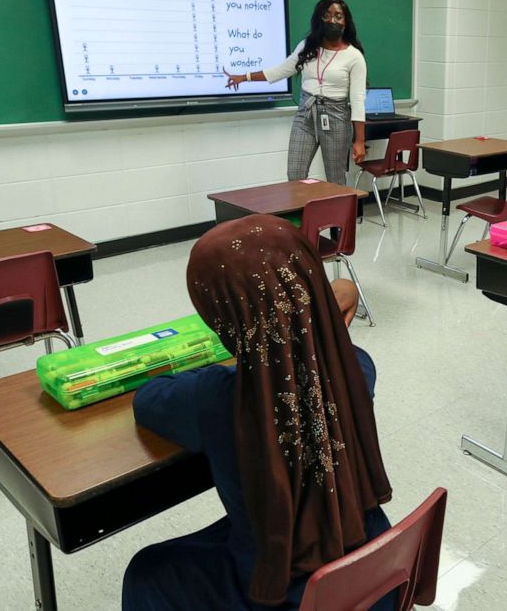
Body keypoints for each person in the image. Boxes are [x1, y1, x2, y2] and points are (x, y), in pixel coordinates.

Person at [122, 215, 393, 610]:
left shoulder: (216, 398)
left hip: (286, 595)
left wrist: (245, 362)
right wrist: (322, 308)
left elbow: (146, 400)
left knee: (147, 570)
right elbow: (333, 322)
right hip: (374, 573)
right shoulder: (356, 368)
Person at [224, 0, 367, 186]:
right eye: (327, 15)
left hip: (337, 117)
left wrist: (359, 141)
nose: (333, 20)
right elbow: (280, 71)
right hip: (305, 114)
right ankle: (305, 214)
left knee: (335, 179)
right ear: (320, 19)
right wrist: (245, 77)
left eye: (338, 16)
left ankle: (339, 216)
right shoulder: (307, 47)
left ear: (346, 21)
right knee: (295, 174)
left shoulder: (354, 56)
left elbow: (357, 101)